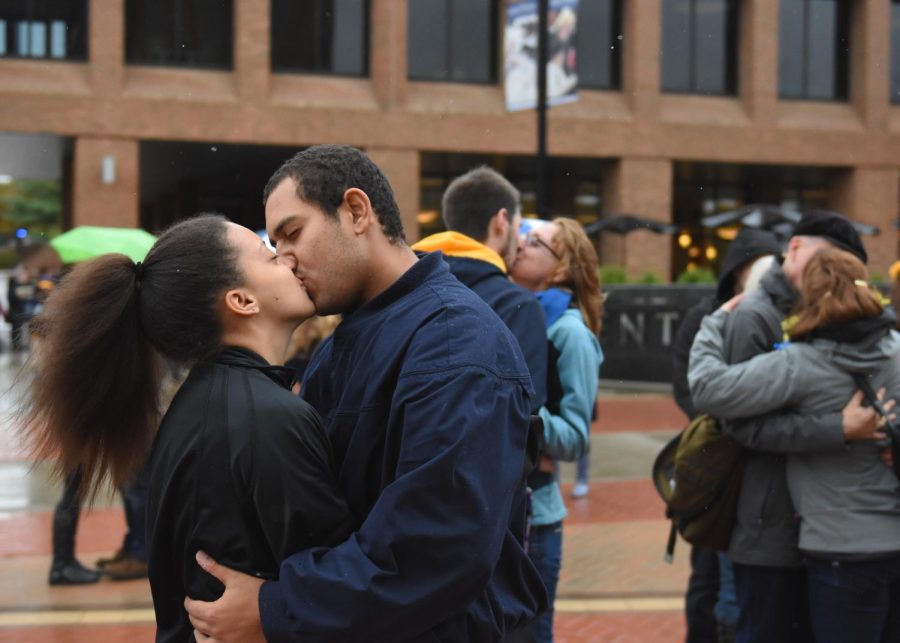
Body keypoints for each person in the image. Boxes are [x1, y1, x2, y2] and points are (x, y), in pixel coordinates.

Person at [184, 144, 546, 642]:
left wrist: (275, 608)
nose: (286, 260)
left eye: (292, 234)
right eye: (275, 245)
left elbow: (436, 547)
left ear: (356, 211)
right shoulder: (350, 340)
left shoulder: (453, 341)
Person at [20, 214, 356, 641]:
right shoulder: (267, 417)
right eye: (269, 257)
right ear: (242, 301)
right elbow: (336, 579)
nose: (288, 260)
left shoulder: (206, 401)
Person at [689, 247, 900, 643]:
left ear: (810, 297)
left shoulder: (801, 364)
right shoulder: (896, 351)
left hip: (840, 550)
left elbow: (707, 388)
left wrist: (716, 322)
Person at [670, 228, 781, 643]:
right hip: (716, 466)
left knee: (739, 584)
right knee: (708, 573)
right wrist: (723, 426)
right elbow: (688, 386)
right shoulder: (704, 316)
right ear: (736, 274)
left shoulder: (778, 315)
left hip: (758, 469)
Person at [509, 217, 603, 642]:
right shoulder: (508, 309)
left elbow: (577, 436)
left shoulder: (569, 332)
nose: (522, 245)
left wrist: (515, 410)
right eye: (523, 237)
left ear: (561, 268)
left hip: (537, 521)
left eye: (536, 242)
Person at [411, 165, 548, 415]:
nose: (519, 244)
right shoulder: (516, 305)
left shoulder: (402, 288)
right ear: (501, 221)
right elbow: (524, 413)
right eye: (518, 229)